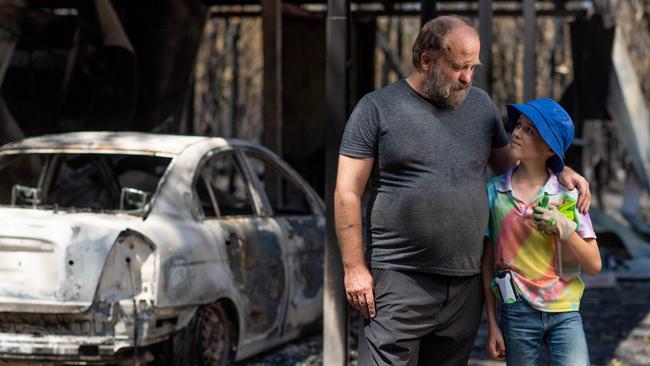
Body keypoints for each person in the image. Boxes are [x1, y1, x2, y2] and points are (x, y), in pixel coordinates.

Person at [334, 15, 592, 366]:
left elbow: (518, 169)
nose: (468, 77)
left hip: (465, 287)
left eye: (473, 66)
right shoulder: (377, 109)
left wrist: (564, 171)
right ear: (427, 60)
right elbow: (347, 191)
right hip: (399, 279)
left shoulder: (481, 106)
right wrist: (353, 267)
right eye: (459, 67)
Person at [481, 98, 601, 365]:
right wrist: (492, 324)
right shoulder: (494, 193)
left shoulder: (568, 195)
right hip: (516, 312)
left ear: (549, 147)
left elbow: (594, 265)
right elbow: (487, 263)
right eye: (518, 125)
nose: (516, 132)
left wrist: (565, 228)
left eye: (529, 130)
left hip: (565, 312)